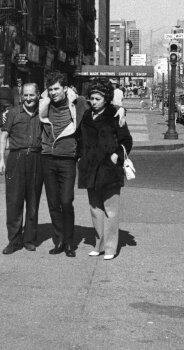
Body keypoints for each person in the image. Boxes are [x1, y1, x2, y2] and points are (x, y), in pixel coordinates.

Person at [77, 81, 133, 260]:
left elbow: (127, 140)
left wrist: (117, 155)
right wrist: (80, 156)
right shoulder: (87, 115)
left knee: (111, 210)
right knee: (95, 209)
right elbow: (79, 138)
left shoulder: (115, 114)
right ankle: (99, 244)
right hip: (89, 168)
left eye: (97, 99)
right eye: (91, 98)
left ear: (106, 99)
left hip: (109, 168)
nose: (93, 102)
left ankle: (110, 248)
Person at [37, 71, 88, 258]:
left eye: (57, 88)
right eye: (50, 89)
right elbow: (21, 108)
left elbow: (102, 104)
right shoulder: (43, 104)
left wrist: (122, 109)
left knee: (66, 201)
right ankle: (59, 240)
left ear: (65, 88)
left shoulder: (78, 103)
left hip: (67, 159)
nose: (53, 93)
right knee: (53, 202)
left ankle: (69, 242)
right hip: (48, 157)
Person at [0, 82, 43, 255]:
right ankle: (14, 241)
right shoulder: (13, 113)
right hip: (16, 158)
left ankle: (29, 239)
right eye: (26, 95)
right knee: (14, 201)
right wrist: (1, 159)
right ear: (21, 96)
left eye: (32, 95)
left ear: (38, 95)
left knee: (33, 201)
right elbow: (3, 136)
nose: (29, 98)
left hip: (37, 159)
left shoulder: (44, 112)